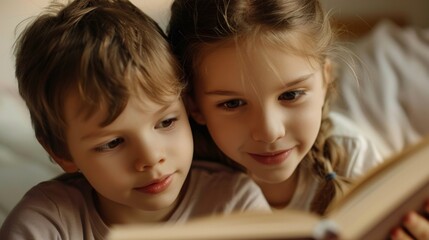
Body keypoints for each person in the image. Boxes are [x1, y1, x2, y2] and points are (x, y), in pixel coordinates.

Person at [0, 0, 270, 239]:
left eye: (166, 122)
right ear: (60, 152)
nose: (151, 158)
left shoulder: (236, 204)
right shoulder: (44, 225)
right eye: (113, 142)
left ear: (187, 106)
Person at [167, 0, 429, 239]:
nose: (269, 132)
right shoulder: (175, 183)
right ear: (194, 105)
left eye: (291, 95)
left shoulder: (353, 159)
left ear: (326, 78)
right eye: (233, 103)